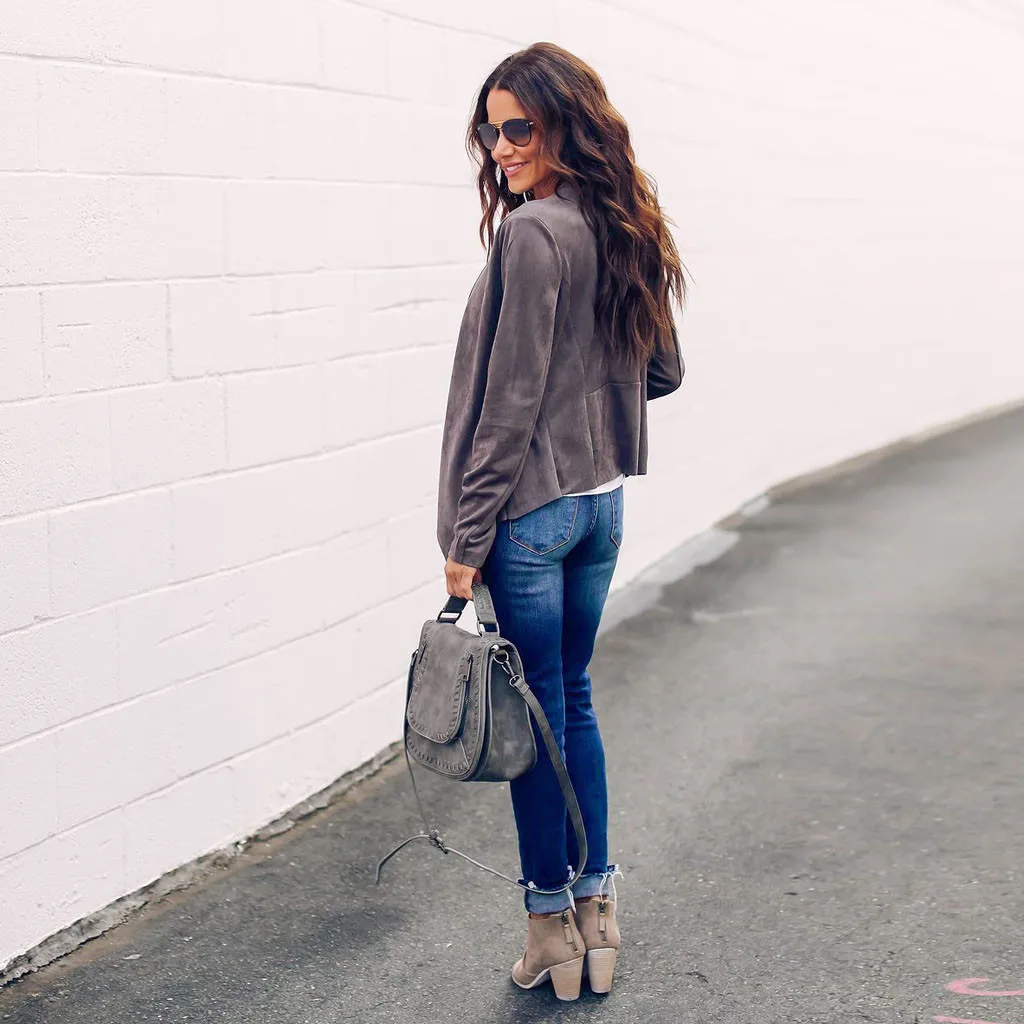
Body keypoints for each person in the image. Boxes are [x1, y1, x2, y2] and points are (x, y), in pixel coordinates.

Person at [435, 41, 686, 1001]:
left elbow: (508, 406)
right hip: (600, 507)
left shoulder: (534, 234)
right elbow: (662, 370)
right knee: (570, 700)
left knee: (535, 718)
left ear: (562, 126)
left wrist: (467, 541)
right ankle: (597, 913)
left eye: (519, 128)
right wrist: (597, 395)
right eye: (490, 130)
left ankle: (551, 931)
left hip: (531, 517)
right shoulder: (624, 220)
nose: (500, 147)